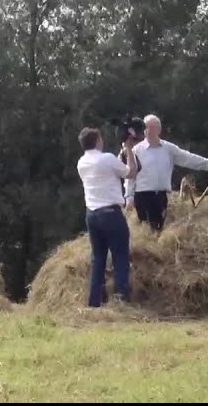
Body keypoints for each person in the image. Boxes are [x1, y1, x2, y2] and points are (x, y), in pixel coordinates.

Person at [124, 114, 208, 232]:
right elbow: (130, 175)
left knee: (158, 229)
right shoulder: (136, 150)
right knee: (146, 230)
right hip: (142, 196)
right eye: (146, 128)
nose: (148, 131)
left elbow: (189, 159)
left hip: (161, 196)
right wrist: (129, 197)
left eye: (152, 128)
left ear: (159, 130)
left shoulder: (168, 149)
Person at [77, 126, 137, 307]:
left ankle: (94, 301)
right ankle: (120, 300)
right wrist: (128, 149)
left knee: (98, 258)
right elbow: (131, 172)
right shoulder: (107, 158)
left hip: (92, 215)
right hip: (111, 214)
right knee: (120, 256)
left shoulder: (81, 163)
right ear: (97, 141)